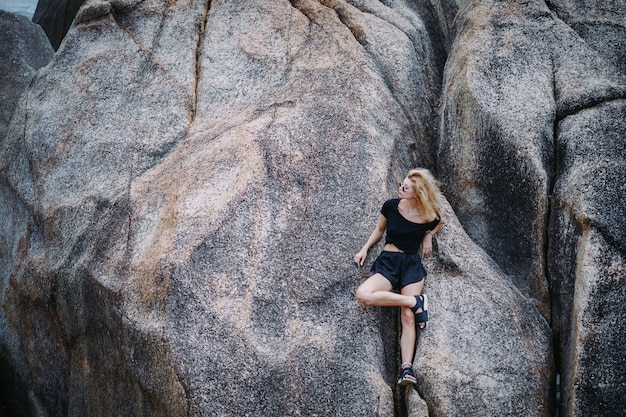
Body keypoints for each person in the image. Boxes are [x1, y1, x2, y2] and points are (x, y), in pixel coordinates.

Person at [354, 168, 444, 386]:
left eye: (405, 187)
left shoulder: (427, 215)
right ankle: (415, 302)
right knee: (363, 294)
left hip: (411, 266)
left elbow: (440, 221)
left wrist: (428, 236)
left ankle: (406, 369)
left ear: (417, 193)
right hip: (388, 262)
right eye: (401, 184)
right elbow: (379, 229)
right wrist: (365, 248)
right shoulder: (391, 206)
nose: (400, 188)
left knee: (408, 317)